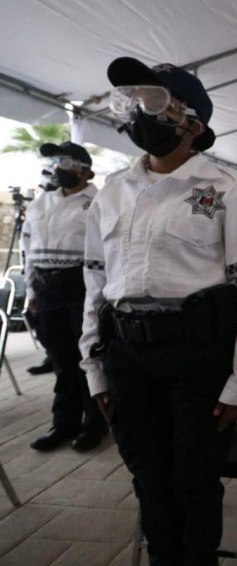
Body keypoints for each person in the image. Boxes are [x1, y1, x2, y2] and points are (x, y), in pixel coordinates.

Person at [80, 57, 237, 565]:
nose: (140, 112)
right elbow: (95, 286)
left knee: (194, 481)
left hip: (197, 359)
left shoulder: (223, 190)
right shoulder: (112, 193)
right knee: (149, 480)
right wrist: (95, 369)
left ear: (194, 123)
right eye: (133, 101)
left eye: (155, 101)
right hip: (127, 357)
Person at [24, 141, 107, 452]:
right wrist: (31, 292)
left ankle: (95, 424)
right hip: (46, 290)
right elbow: (28, 249)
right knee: (61, 360)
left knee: (88, 358)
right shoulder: (40, 202)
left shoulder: (99, 202)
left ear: (84, 169)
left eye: (65, 162)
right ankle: (64, 423)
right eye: (56, 162)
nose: (58, 168)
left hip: (81, 286)